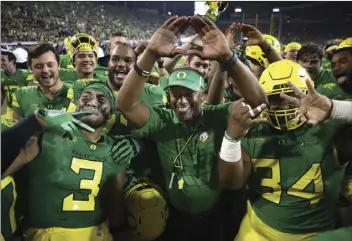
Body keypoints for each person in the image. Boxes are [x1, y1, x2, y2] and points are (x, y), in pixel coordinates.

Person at [116, 15, 267, 241]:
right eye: (176, 94)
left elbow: (258, 101)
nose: (182, 100)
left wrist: (228, 57)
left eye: (189, 94)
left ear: (202, 94)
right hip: (174, 217)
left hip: (215, 215)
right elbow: (124, 104)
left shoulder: (216, 116)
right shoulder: (163, 120)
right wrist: (150, 54)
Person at [233, 59, 351, 241]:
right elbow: (232, 182)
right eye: (275, 98)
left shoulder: (331, 130)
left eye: (291, 97)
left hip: (313, 235)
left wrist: (334, 108)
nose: (283, 106)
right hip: (258, 229)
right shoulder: (252, 129)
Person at [19, 82, 140, 241]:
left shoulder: (115, 150)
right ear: (76, 106)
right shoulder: (47, 136)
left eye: (101, 99)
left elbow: (115, 206)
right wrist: (32, 123)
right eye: (86, 97)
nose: (92, 102)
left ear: (110, 113)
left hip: (98, 234)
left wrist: (139, 143)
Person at [10, 43, 72, 120]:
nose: (45, 70)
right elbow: (16, 130)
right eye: (38, 66)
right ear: (31, 70)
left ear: (59, 65)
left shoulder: (76, 92)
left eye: (50, 65)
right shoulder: (22, 96)